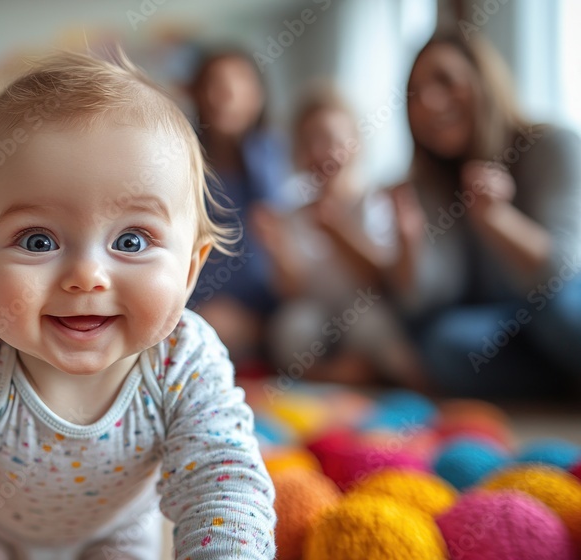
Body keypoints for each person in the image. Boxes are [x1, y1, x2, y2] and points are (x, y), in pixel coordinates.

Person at [0, 51, 276, 559]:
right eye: (38, 241)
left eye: (132, 241)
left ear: (190, 269)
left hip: (119, 533)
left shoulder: (184, 358)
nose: (86, 276)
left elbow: (222, 483)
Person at [394, 33, 581, 397]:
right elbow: (434, 298)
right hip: (508, 326)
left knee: (551, 306)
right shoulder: (430, 184)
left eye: (445, 80)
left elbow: (561, 269)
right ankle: (567, 379)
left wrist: (497, 219)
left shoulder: (555, 145)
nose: (430, 101)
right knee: (444, 344)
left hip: (562, 299)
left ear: (484, 81)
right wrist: (409, 249)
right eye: (415, 94)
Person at [257, 84, 421, 386]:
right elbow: (292, 291)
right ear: (297, 153)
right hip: (317, 313)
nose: (321, 152)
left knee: (370, 323)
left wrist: (336, 231)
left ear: (356, 144)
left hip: (363, 308)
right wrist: (276, 248)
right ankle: (330, 375)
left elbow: (380, 280)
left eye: (331, 139)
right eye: (309, 142)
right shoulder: (293, 209)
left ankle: (406, 376)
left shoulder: (373, 200)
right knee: (292, 325)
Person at [186, 50, 290, 364]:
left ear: (258, 96)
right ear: (197, 94)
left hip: (267, 306)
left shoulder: (270, 158)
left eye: (238, 83)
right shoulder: (182, 161)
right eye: (214, 84)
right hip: (199, 303)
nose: (225, 95)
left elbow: (284, 254)